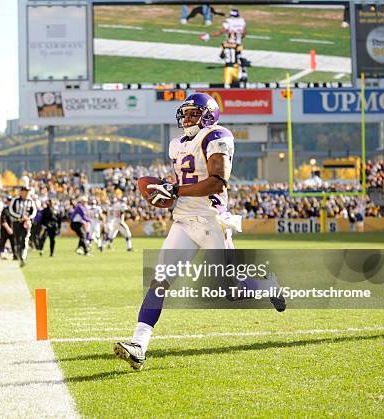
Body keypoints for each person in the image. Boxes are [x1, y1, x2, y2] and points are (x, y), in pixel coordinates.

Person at [113, 92, 285, 371]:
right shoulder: (176, 144)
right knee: (159, 281)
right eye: (186, 113)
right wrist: (166, 192)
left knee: (231, 291)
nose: (188, 118)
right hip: (183, 220)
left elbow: (217, 182)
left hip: (210, 221)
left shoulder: (217, 136)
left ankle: (268, 285)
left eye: (194, 113)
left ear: (209, 115)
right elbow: (181, 184)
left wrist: (176, 189)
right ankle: (139, 345)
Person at [9, 186, 37, 267]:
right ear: (21, 192)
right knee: (17, 240)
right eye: (25, 191)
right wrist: (20, 216)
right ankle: (18, 254)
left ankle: (23, 257)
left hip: (26, 223)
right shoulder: (15, 200)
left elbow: (34, 211)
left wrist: (28, 218)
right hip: (17, 222)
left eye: (27, 191)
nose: (26, 193)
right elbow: (11, 211)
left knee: (25, 239)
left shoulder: (30, 201)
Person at [0, 195, 16, 261]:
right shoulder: (5, 210)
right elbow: (3, 221)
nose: (10, 202)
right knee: (2, 243)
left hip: (13, 229)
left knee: (13, 243)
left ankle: (15, 256)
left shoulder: (14, 210)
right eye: (9, 201)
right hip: (5, 230)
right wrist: (8, 229)